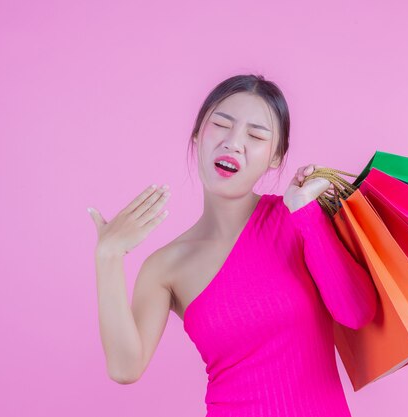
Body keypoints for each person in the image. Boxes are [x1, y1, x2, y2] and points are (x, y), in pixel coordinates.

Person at [88, 74, 378, 417]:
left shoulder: (297, 219)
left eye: (255, 135)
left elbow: (356, 313)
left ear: (275, 157)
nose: (233, 142)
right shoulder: (165, 267)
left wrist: (308, 215)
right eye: (221, 125)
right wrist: (108, 257)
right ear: (197, 135)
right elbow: (125, 368)